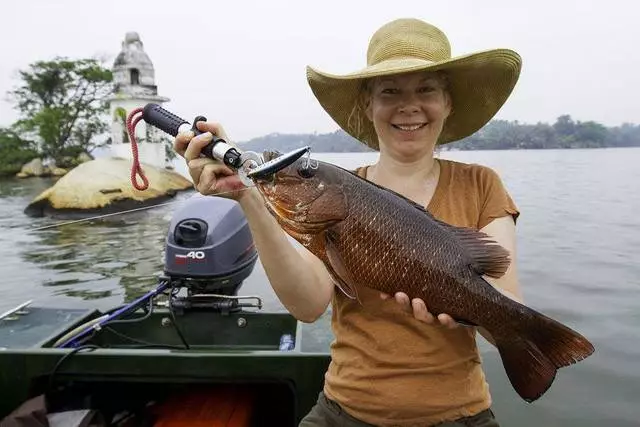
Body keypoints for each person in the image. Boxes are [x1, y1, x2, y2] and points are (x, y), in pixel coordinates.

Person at [174, 18, 523, 427]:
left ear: (447, 102)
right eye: (390, 91)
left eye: (426, 88)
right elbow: (308, 305)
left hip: (459, 414)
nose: (408, 105)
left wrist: (469, 308)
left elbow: (507, 311)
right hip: (343, 412)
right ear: (368, 105)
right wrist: (246, 195)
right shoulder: (336, 193)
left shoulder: (482, 184)